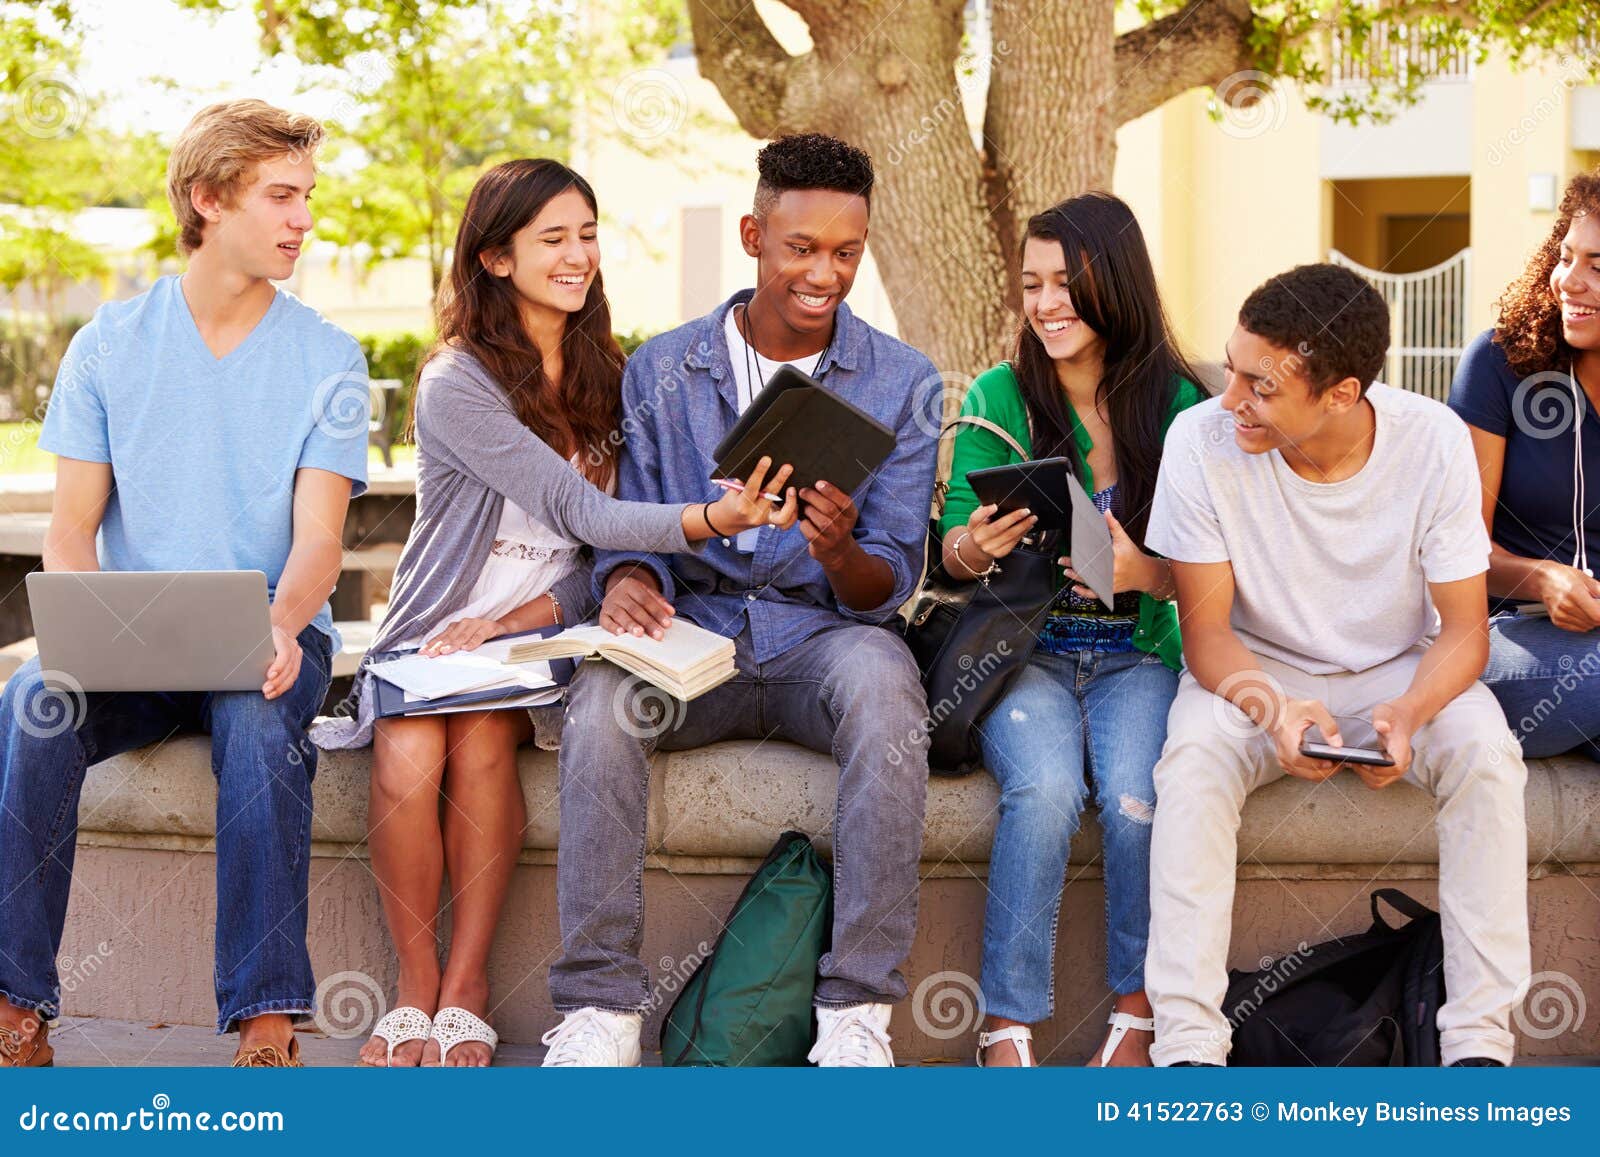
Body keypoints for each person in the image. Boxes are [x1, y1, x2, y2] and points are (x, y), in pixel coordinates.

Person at [311, 160, 795, 1067]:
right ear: (495, 259)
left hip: (543, 632)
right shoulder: (457, 381)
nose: (578, 256)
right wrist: (710, 520)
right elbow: (584, 511)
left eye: (586, 233)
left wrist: (521, 618)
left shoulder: (608, 373)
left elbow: (590, 561)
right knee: (413, 749)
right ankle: (415, 990)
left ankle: (468, 988)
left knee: (486, 740)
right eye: (552, 239)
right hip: (436, 628)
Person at [537, 133, 938, 1068]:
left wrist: (840, 550)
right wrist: (631, 577)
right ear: (755, 235)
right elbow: (626, 521)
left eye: (846, 251)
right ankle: (599, 1005)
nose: (823, 274)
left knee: (889, 694)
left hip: (823, 637)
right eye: (801, 248)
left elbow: (891, 579)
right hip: (695, 633)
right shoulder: (664, 368)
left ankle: (855, 1011)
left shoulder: (904, 381)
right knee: (599, 702)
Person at [0, 100, 369, 1067]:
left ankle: (265, 1016)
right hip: (131, 642)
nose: (303, 219)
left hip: (275, 634)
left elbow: (321, 540)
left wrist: (284, 629)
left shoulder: (327, 355)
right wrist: (83, 627)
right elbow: (72, 528)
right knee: (28, 700)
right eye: (281, 196)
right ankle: (16, 1006)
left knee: (254, 720)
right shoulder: (110, 345)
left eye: (307, 197)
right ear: (208, 199)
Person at [1143, 263, 1531, 1068]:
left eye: (1260, 386)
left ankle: (1477, 1047)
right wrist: (1275, 710)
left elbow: (1464, 632)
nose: (1230, 400)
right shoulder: (1201, 442)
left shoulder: (1432, 443)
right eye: (1233, 368)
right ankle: (1187, 1045)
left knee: (1488, 759)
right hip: (1252, 666)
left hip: (1400, 667)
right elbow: (1206, 631)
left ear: (1341, 393)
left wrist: (1414, 712)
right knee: (1192, 763)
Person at [938, 193, 1204, 1067]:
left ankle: (1137, 1013)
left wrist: (1143, 573)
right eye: (1032, 284)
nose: (1046, 304)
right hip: (1029, 653)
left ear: (1115, 284)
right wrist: (974, 547)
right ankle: (1006, 1024)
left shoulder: (1179, 404)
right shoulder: (999, 393)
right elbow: (949, 555)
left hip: (1139, 653)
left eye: (1067, 284)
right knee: (1046, 794)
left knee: (1136, 801)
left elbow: (1211, 574)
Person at [1448, 169, 1600, 759]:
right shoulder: (1500, 365)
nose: (1570, 281)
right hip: (1506, 635)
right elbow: (1458, 551)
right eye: (1566, 257)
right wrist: (1546, 577)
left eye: (1597, 266)